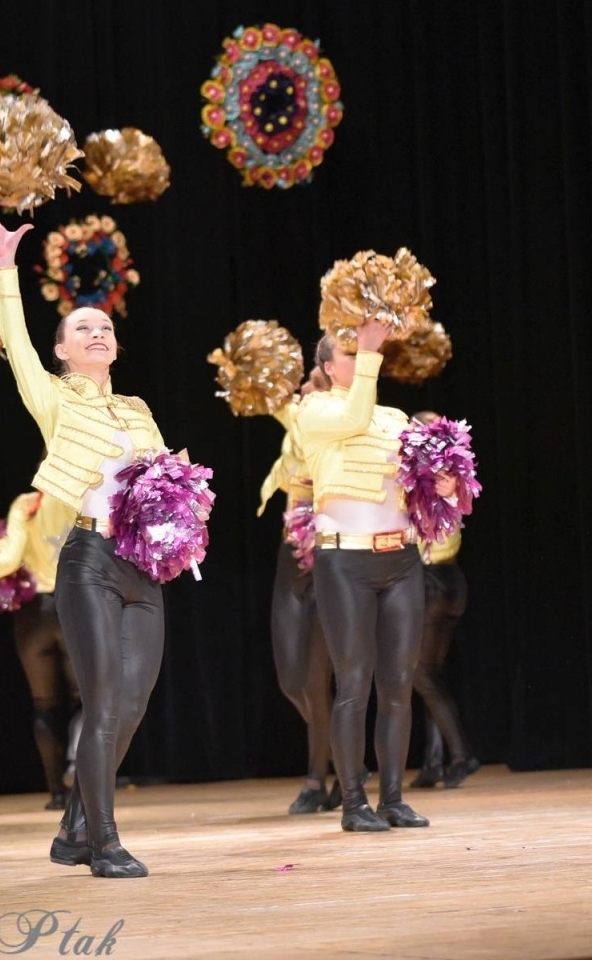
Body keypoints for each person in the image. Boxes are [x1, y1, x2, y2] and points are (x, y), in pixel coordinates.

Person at [0, 212, 179, 879]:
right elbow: (15, 344)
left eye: (105, 327)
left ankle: (72, 828)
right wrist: (4, 266)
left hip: (141, 567)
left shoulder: (138, 410)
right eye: (83, 328)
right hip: (87, 563)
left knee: (133, 705)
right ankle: (103, 842)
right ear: (62, 350)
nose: (98, 333)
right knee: (104, 703)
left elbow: (164, 486)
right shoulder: (55, 398)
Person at [300, 326, 459, 832]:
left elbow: (421, 489)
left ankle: (393, 798)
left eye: (364, 350)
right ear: (329, 368)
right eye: (350, 352)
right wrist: (370, 351)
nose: (362, 355)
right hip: (345, 562)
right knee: (353, 683)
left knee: (398, 684)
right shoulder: (316, 409)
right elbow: (353, 416)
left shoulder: (394, 419)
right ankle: (353, 804)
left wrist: (444, 487)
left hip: (402, 561)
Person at [260, 365, 339, 814]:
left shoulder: (340, 423)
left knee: (315, 679)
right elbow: (270, 397)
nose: (302, 387)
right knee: (291, 680)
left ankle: (316, 780)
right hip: (291, 555)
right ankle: (344, 757)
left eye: (312, 381)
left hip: (329, 556)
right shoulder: (300, 417)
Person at [0, 490, 81, 810]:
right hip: (75, 606)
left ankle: (56, 793)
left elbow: (9, 561)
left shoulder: (26, 503)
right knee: (88, 700)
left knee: (44, 704)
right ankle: (77, 768)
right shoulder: (83, 497)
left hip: (33, 616)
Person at [408, 411, 479, 791]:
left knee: (421, 674)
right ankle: (434, 762)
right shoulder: (447, 473)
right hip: (449, 580)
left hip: (432, 581)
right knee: (430, 674)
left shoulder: (435, 475)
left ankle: (462, 755)